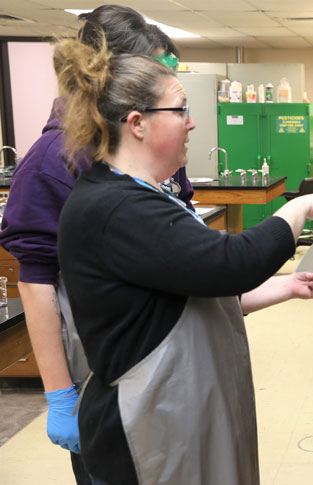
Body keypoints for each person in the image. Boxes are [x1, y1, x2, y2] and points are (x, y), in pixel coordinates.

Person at [52, 35, 313, 484]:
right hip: (148, 432)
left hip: (180, 416)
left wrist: (288, 285)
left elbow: (192, 293)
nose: (191, 123)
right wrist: (299, 207)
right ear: (137, 123)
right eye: (181, 109)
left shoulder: (146, 197)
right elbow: (232, 262)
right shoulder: (114, 208)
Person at [0, 6, 191, 484]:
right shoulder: (52, 162)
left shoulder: (145, 138)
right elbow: (37, 280)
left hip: (168, 352)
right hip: (102, 362)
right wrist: (60, 395)